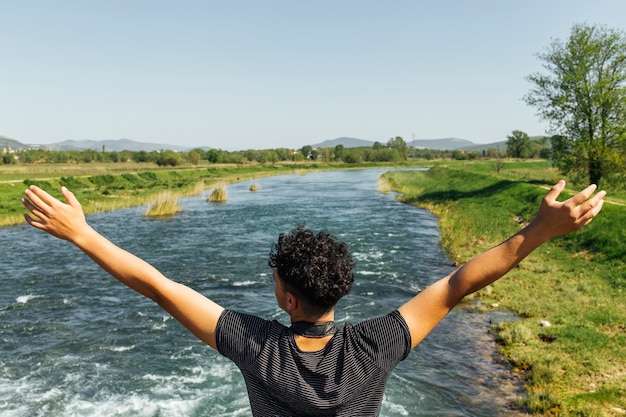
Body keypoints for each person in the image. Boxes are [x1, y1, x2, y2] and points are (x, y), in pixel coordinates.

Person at [21, 180, 605, 416]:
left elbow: (160, 287)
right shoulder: (376, 346)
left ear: (287, 299)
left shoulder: (255, 346)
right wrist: (542, 230)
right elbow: (457, 284)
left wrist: (83, 233)